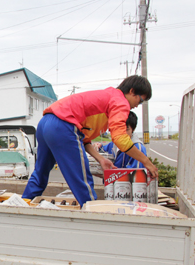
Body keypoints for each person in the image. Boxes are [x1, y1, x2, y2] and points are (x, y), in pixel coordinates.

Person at [22, 75, 158, 206]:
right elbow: (120, 138)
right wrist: (147, 162)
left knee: (41, 171)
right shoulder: (120, 101)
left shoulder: (105, 100)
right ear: (132, 91)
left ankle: (23, 204)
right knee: (82, 179)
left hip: (45, 123)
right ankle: (92, 214)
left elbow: (83, 139)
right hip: (63, 125)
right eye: (140, 101)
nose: (137, 106)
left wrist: (101, 159)